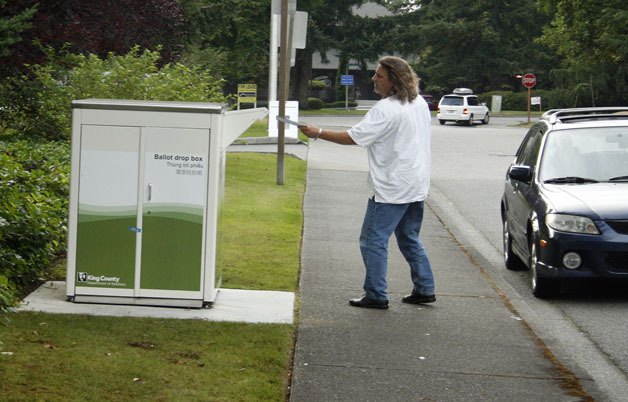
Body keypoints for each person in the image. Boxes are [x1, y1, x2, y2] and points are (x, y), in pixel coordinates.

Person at [299, 56, 435, 309]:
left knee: (373, 239)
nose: (374, 79)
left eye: (379, 75)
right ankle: (425, 288)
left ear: (394, 79)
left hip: (391, 187)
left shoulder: (386, 109)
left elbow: (354, 137)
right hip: (416, 182)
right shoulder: (418, 103)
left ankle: (376, 294)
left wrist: (318, 132)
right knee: (408, 237)